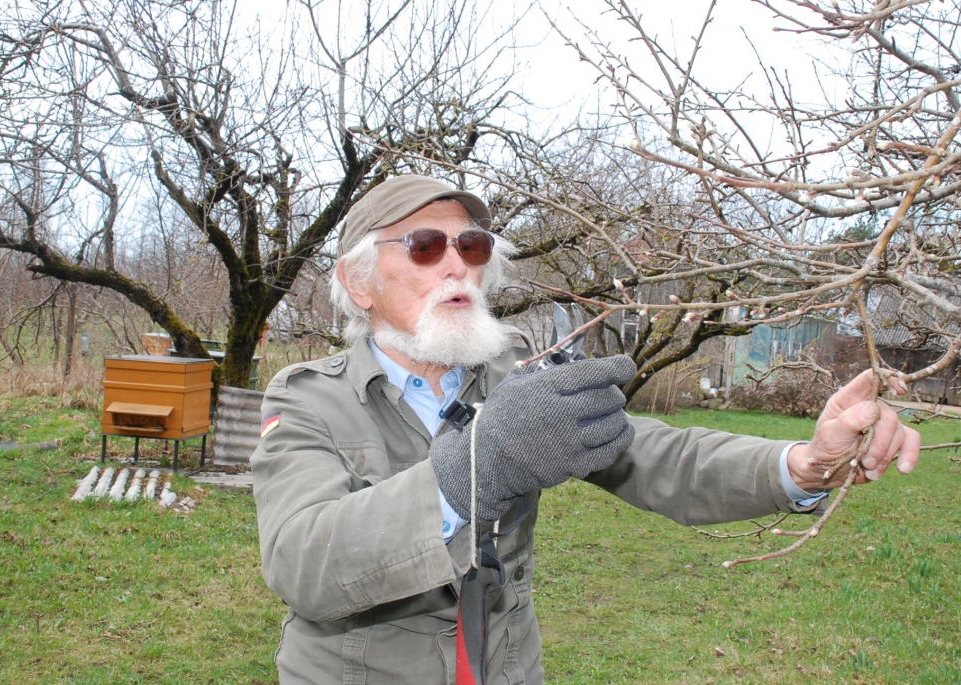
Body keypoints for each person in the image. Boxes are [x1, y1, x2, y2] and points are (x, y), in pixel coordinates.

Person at [251, 174, 920, 685]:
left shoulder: (516, 378)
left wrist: (803, 463)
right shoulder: (309, 398)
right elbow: (302, 561)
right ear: (359, 282)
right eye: (426, 246)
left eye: (472, 245)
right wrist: (477, 465)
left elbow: (656, 455)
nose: (457, 264)